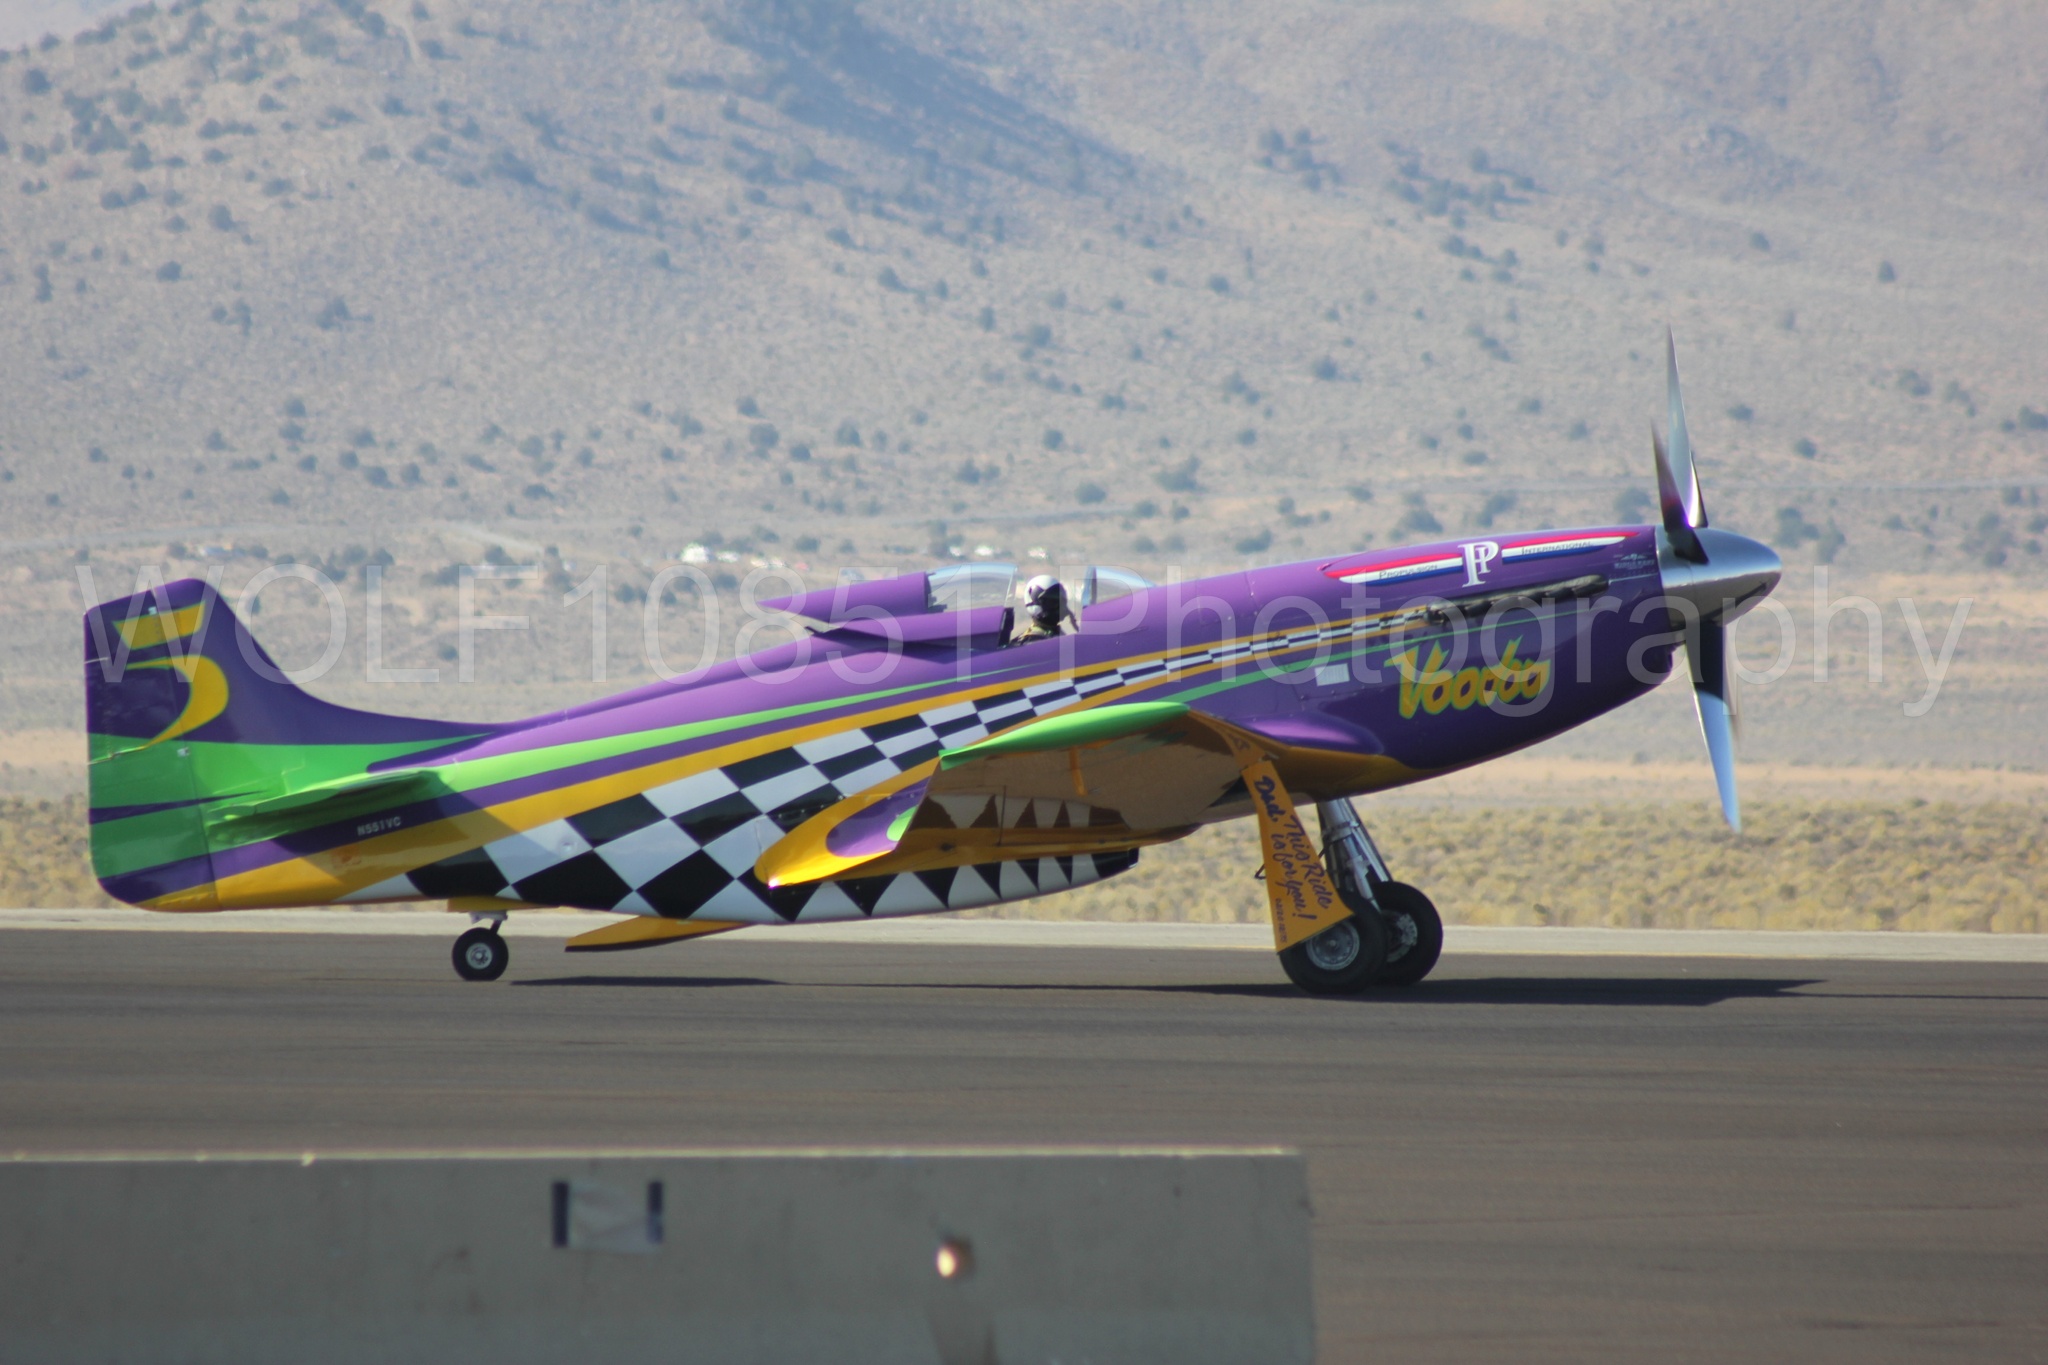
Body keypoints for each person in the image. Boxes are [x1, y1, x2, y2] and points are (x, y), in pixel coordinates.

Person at [1013, 573, 1076, 643]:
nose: (1059, 607)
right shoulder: (1030, 643)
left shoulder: (1058, 634)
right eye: (1052, 602)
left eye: (1060, 602)